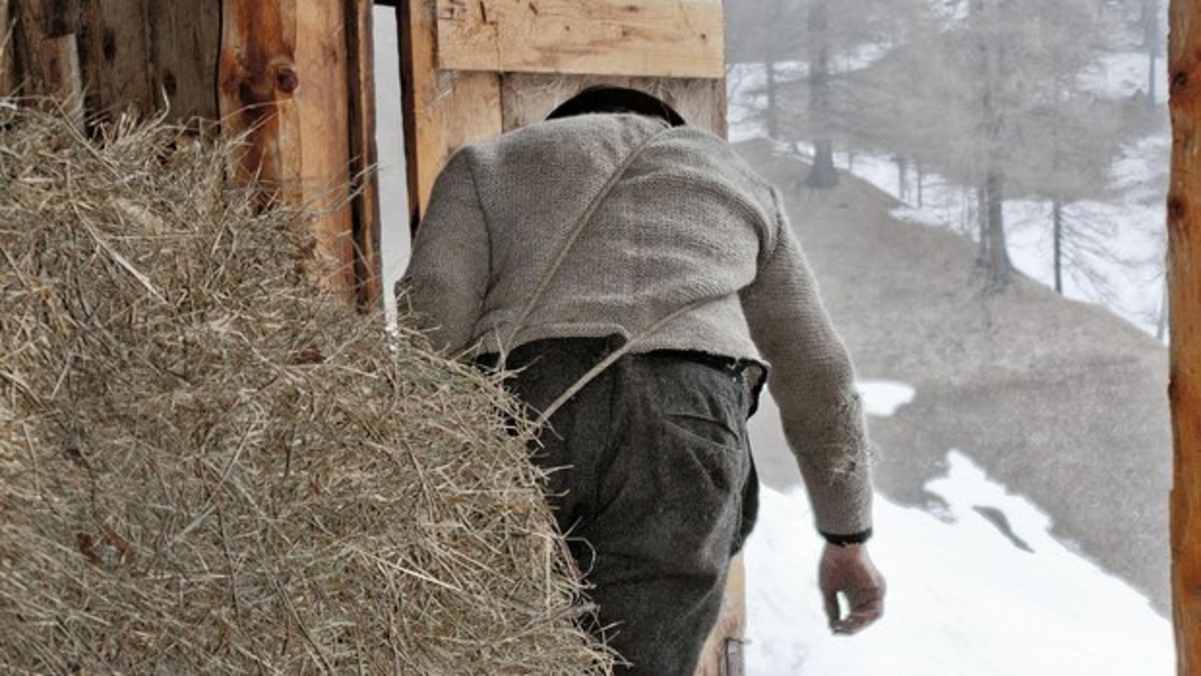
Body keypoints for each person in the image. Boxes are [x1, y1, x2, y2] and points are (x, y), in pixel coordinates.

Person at [399, 86, 886, 675]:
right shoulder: (734, 179)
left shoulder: (491, 162)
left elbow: (431, 322)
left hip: (522, 414)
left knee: (494, 654)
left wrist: (418, 488)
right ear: (669, 126)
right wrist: (846, 538)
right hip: (688, 420)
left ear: (561, 127)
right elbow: (820, 373)